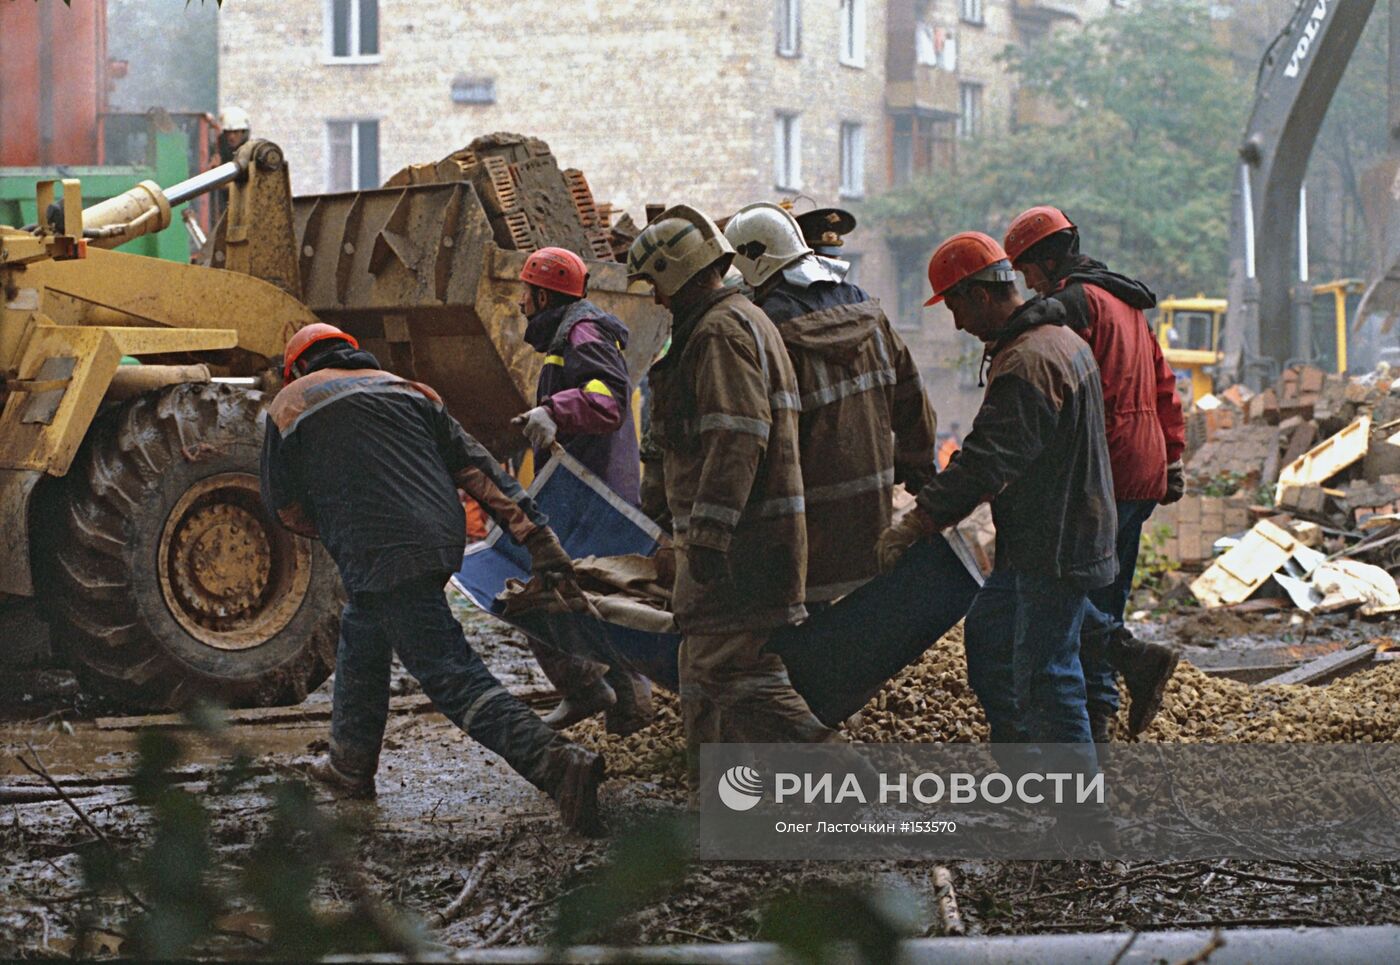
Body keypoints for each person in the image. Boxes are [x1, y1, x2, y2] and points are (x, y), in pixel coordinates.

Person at [261, 323, 606, 835]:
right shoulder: (409, 389)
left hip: (377, 546)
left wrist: (337, 526)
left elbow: (283, 505)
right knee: (363, 630)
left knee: (449, 673)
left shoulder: (288, 405)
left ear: (296, 367)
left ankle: (555, 763)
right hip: (437, 538)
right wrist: (535, 534)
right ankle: (349, 765)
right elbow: (477, 469)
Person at [877, 232, 1116, 771]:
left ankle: (1080, 822)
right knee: (989, 637)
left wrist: (915, 523)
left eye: (955, 307)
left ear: (979, 295)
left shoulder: (1030, 360)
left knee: (1050, 677)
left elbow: (987, 462)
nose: (957, 323)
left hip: (1056, 541)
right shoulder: (1057, 338)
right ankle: (1024, 772)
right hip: (1052, 531)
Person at [626, 205, 835, 780]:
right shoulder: (736, 320)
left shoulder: (720, 332)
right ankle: (715, 806)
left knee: (730, 672)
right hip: (739, 539)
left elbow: (737, 438)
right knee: (704, 671)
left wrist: (712, 536)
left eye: (656, 285)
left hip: (742, 544)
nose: (658, 300)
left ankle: (845, 772)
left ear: (677, 273)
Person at [1004, 205, 1184, 740]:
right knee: (1104, 598)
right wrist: (1171, 457)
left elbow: (1048, 372)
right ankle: (1104, 711)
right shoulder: (1126, 303)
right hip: (1141, 468)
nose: (1026, 282)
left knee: (1060, 595)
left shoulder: (1072, 304)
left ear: (1046, 259)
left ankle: (1109, 693)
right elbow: (1165, 386)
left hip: (1104, 471)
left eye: (1025, 270)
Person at [723, 202, 938, 604]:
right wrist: (918, 465)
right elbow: (913, 399)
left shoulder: (763, 330)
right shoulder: (868, 312)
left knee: (804, 634)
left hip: (799, 525)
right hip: (870, 513)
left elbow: (749, 436)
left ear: (753, 264)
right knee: (858, 623)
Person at [511, 246, 653, 735]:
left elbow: (607, 400)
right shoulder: (571, 329)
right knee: (590, 597)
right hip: (590, 485)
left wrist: (555, 411)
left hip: (593, 490)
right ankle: (626, 708)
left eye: (526, 291)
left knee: (542, 588)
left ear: (544, 293)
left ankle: (590, 691)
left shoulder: (581, 331)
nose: (520, 302)